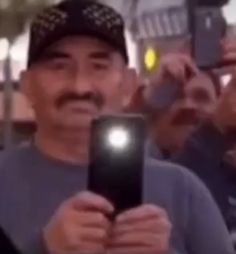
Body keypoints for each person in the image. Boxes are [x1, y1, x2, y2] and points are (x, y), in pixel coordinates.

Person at [0, 1, 233, 254]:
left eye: (99, 66)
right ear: (26, 84)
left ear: (128, 83)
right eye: (59, 66)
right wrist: (44, 249)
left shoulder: (182, 191)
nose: (80, 86)